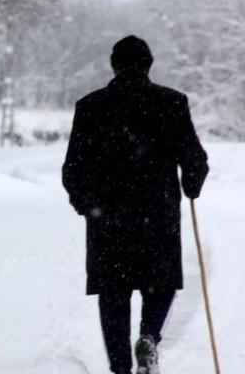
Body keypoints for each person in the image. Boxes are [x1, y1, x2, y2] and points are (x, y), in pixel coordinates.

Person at [61, 35, 209, 374]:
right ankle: (149, 337)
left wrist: (87, 205)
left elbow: (73, 169)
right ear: (148, 66)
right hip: (157, 215)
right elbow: (195, 159)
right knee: (160, 284)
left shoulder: (90, 106)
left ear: (113, 66)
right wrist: (191, 185)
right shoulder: (171, 102)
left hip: (107, 219)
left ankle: (120, 368)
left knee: (113, 295)